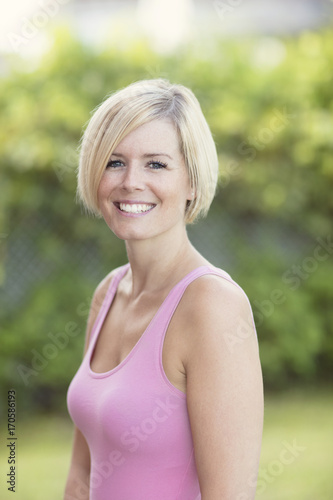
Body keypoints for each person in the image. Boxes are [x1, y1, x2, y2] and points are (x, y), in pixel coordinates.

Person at [64, 79, 263, 500]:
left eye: (156, 164)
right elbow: (81, 474)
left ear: (191, 182)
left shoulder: (213, 306)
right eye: (114, 161)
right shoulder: (108, 293)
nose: (131, 181)